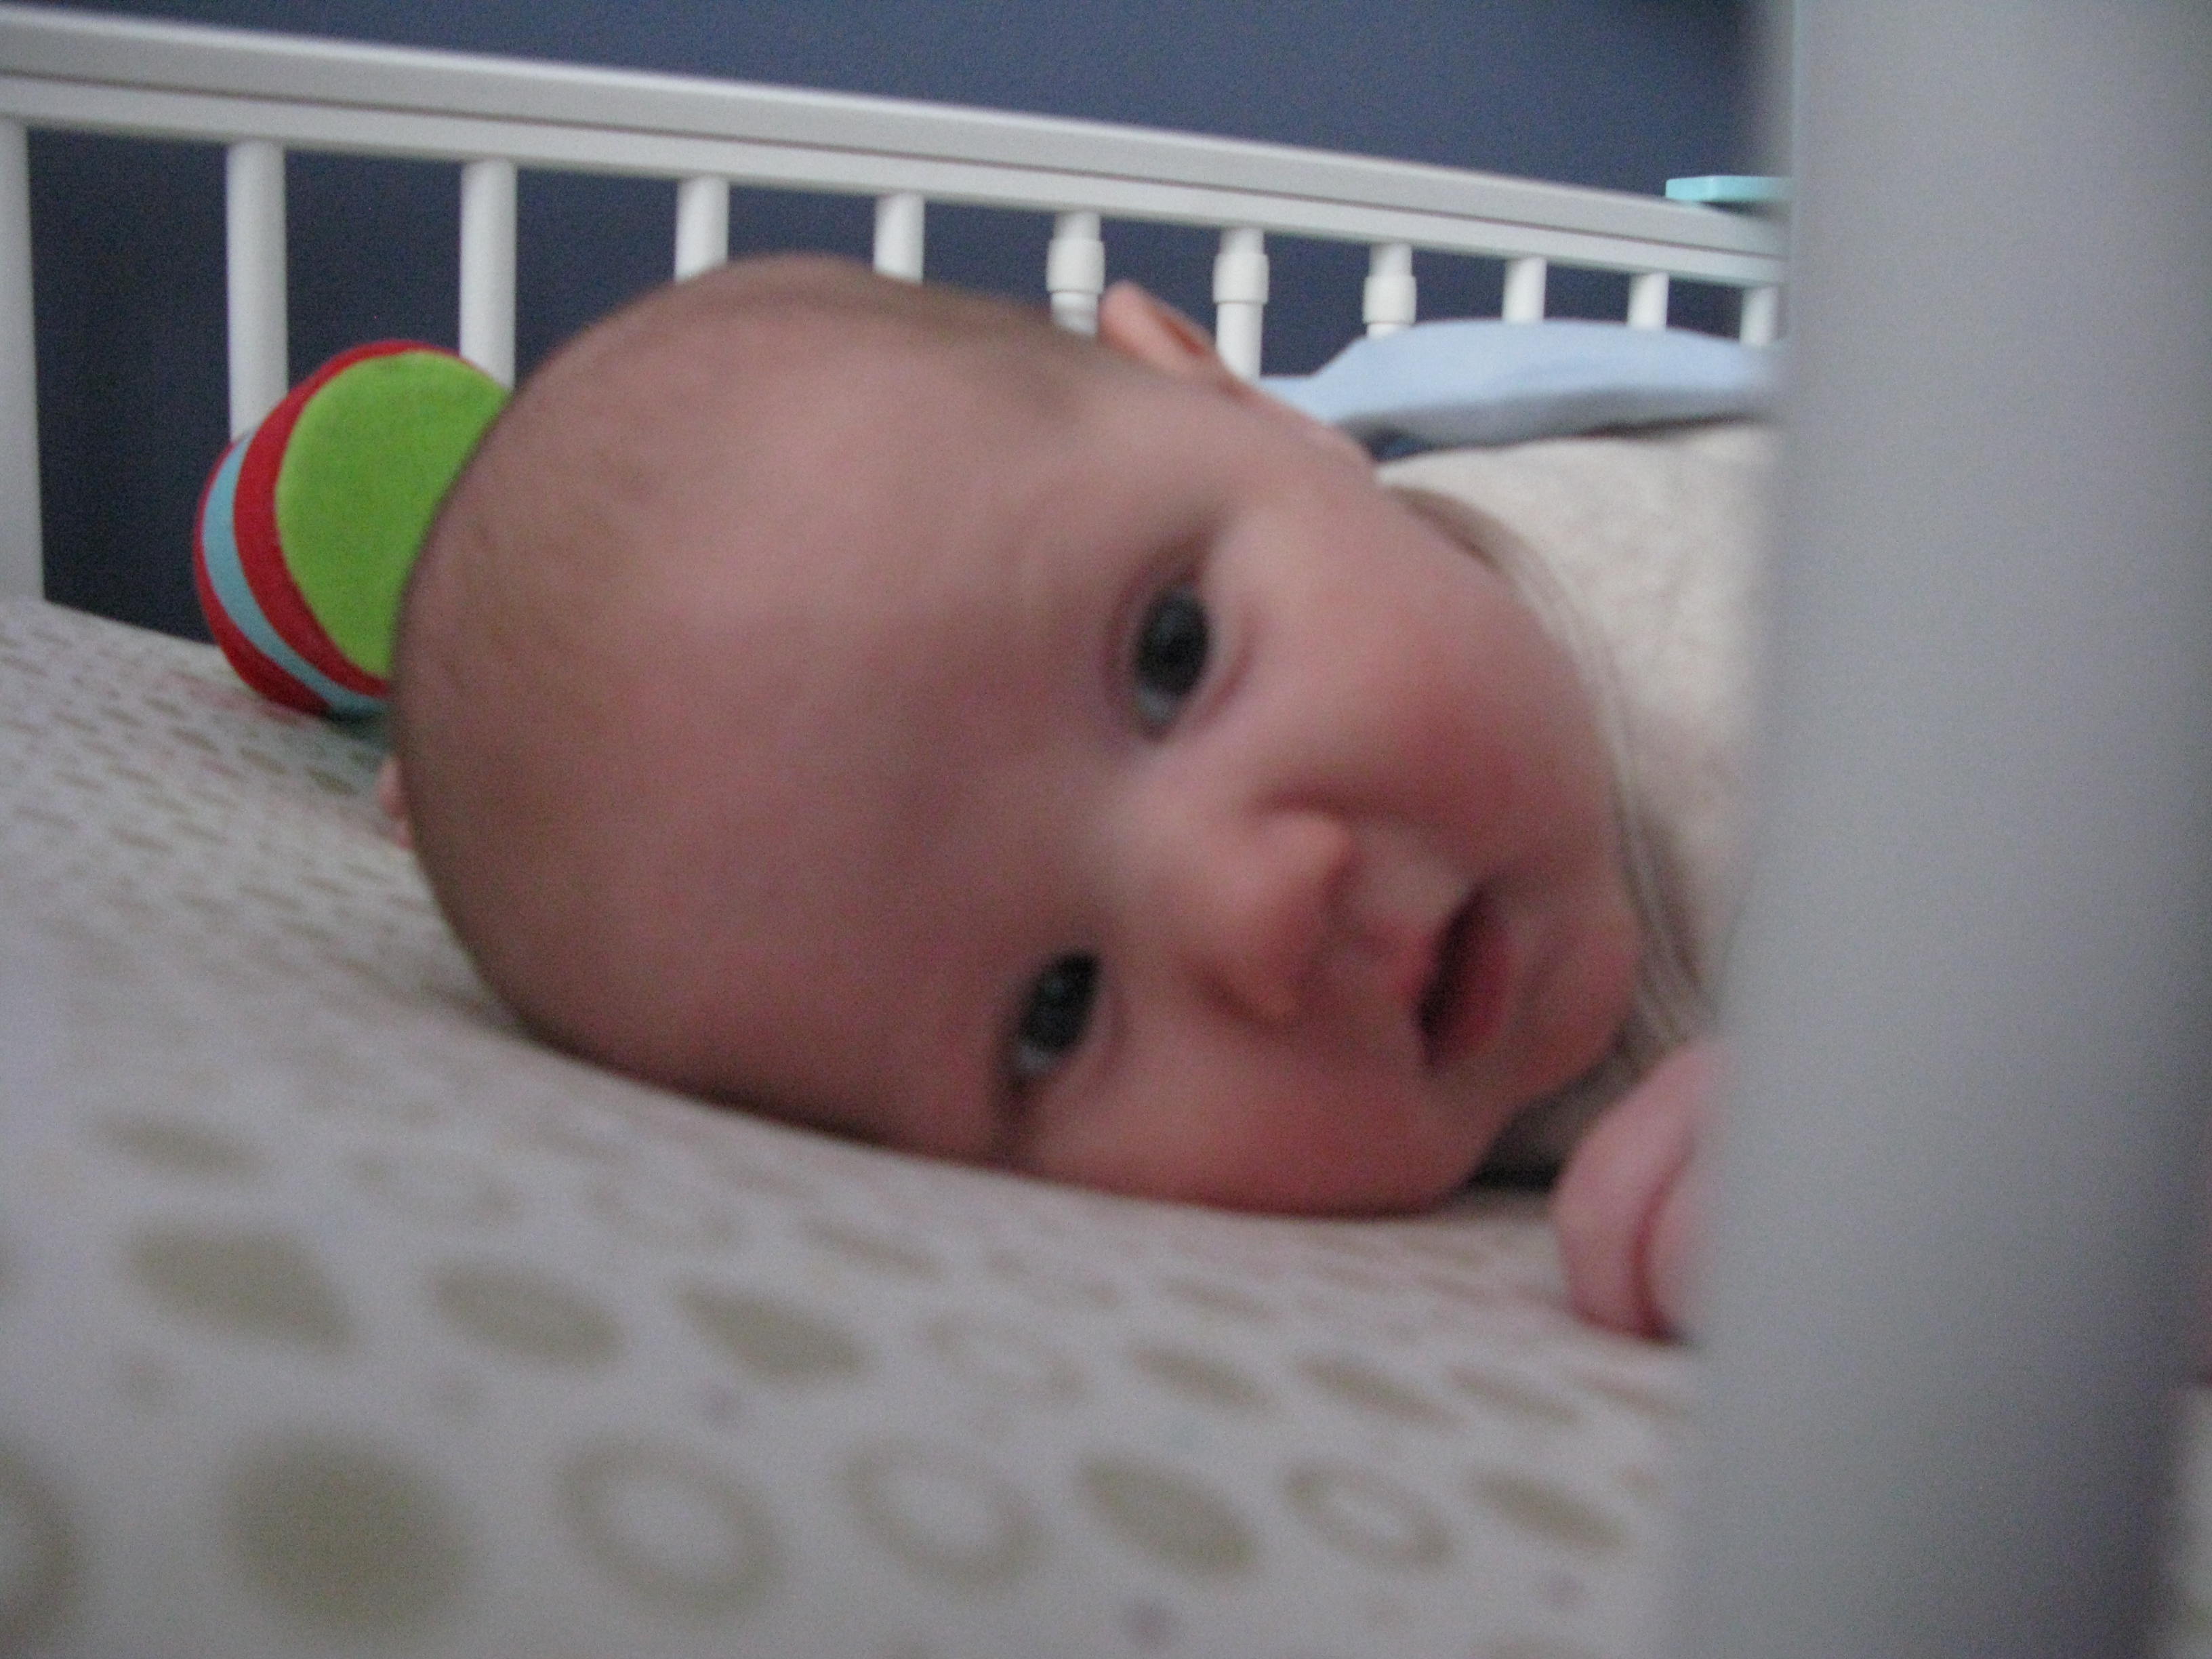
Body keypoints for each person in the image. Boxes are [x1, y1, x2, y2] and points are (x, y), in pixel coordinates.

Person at [385, 253, 1745, 1341]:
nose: (1257, 908)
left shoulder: (1757, 627)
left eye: (1174, 657)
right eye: (1058, 1012)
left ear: (1254, 411)